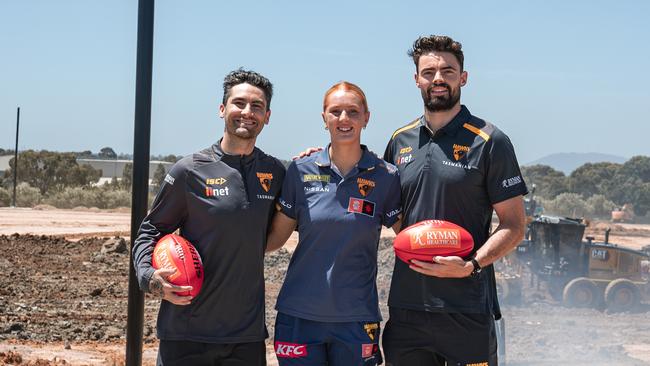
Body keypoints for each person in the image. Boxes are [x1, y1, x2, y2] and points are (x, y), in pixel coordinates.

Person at [381, 35, 528, 366]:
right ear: (416, 79)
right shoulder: (398, 140)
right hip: (407, 308)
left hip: (468, 307)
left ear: (463, 77)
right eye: (429, 71)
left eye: (448, 71)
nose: (438, 79)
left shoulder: (491, 141)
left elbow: (514, 225)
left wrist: (471, 264)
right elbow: (385, 202)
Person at [132, 68, 286, 366]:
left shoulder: (276, 172)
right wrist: (148, 277)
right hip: (186, 332)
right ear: (222, 109)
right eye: (239, 103)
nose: (247, 112)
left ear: (267, 116)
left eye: (257, 106)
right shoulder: (190, 170)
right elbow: (151, 229)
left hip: (246, 336)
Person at [266, 81, 402, 365]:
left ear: (366, 117)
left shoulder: (386, 177)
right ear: (324, 117)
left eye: (353, 111)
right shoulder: (300, 170)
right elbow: (274, 239)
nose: (344, 119)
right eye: (335, 111)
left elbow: (409, 235)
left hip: (356, 319)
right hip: (299, 316)